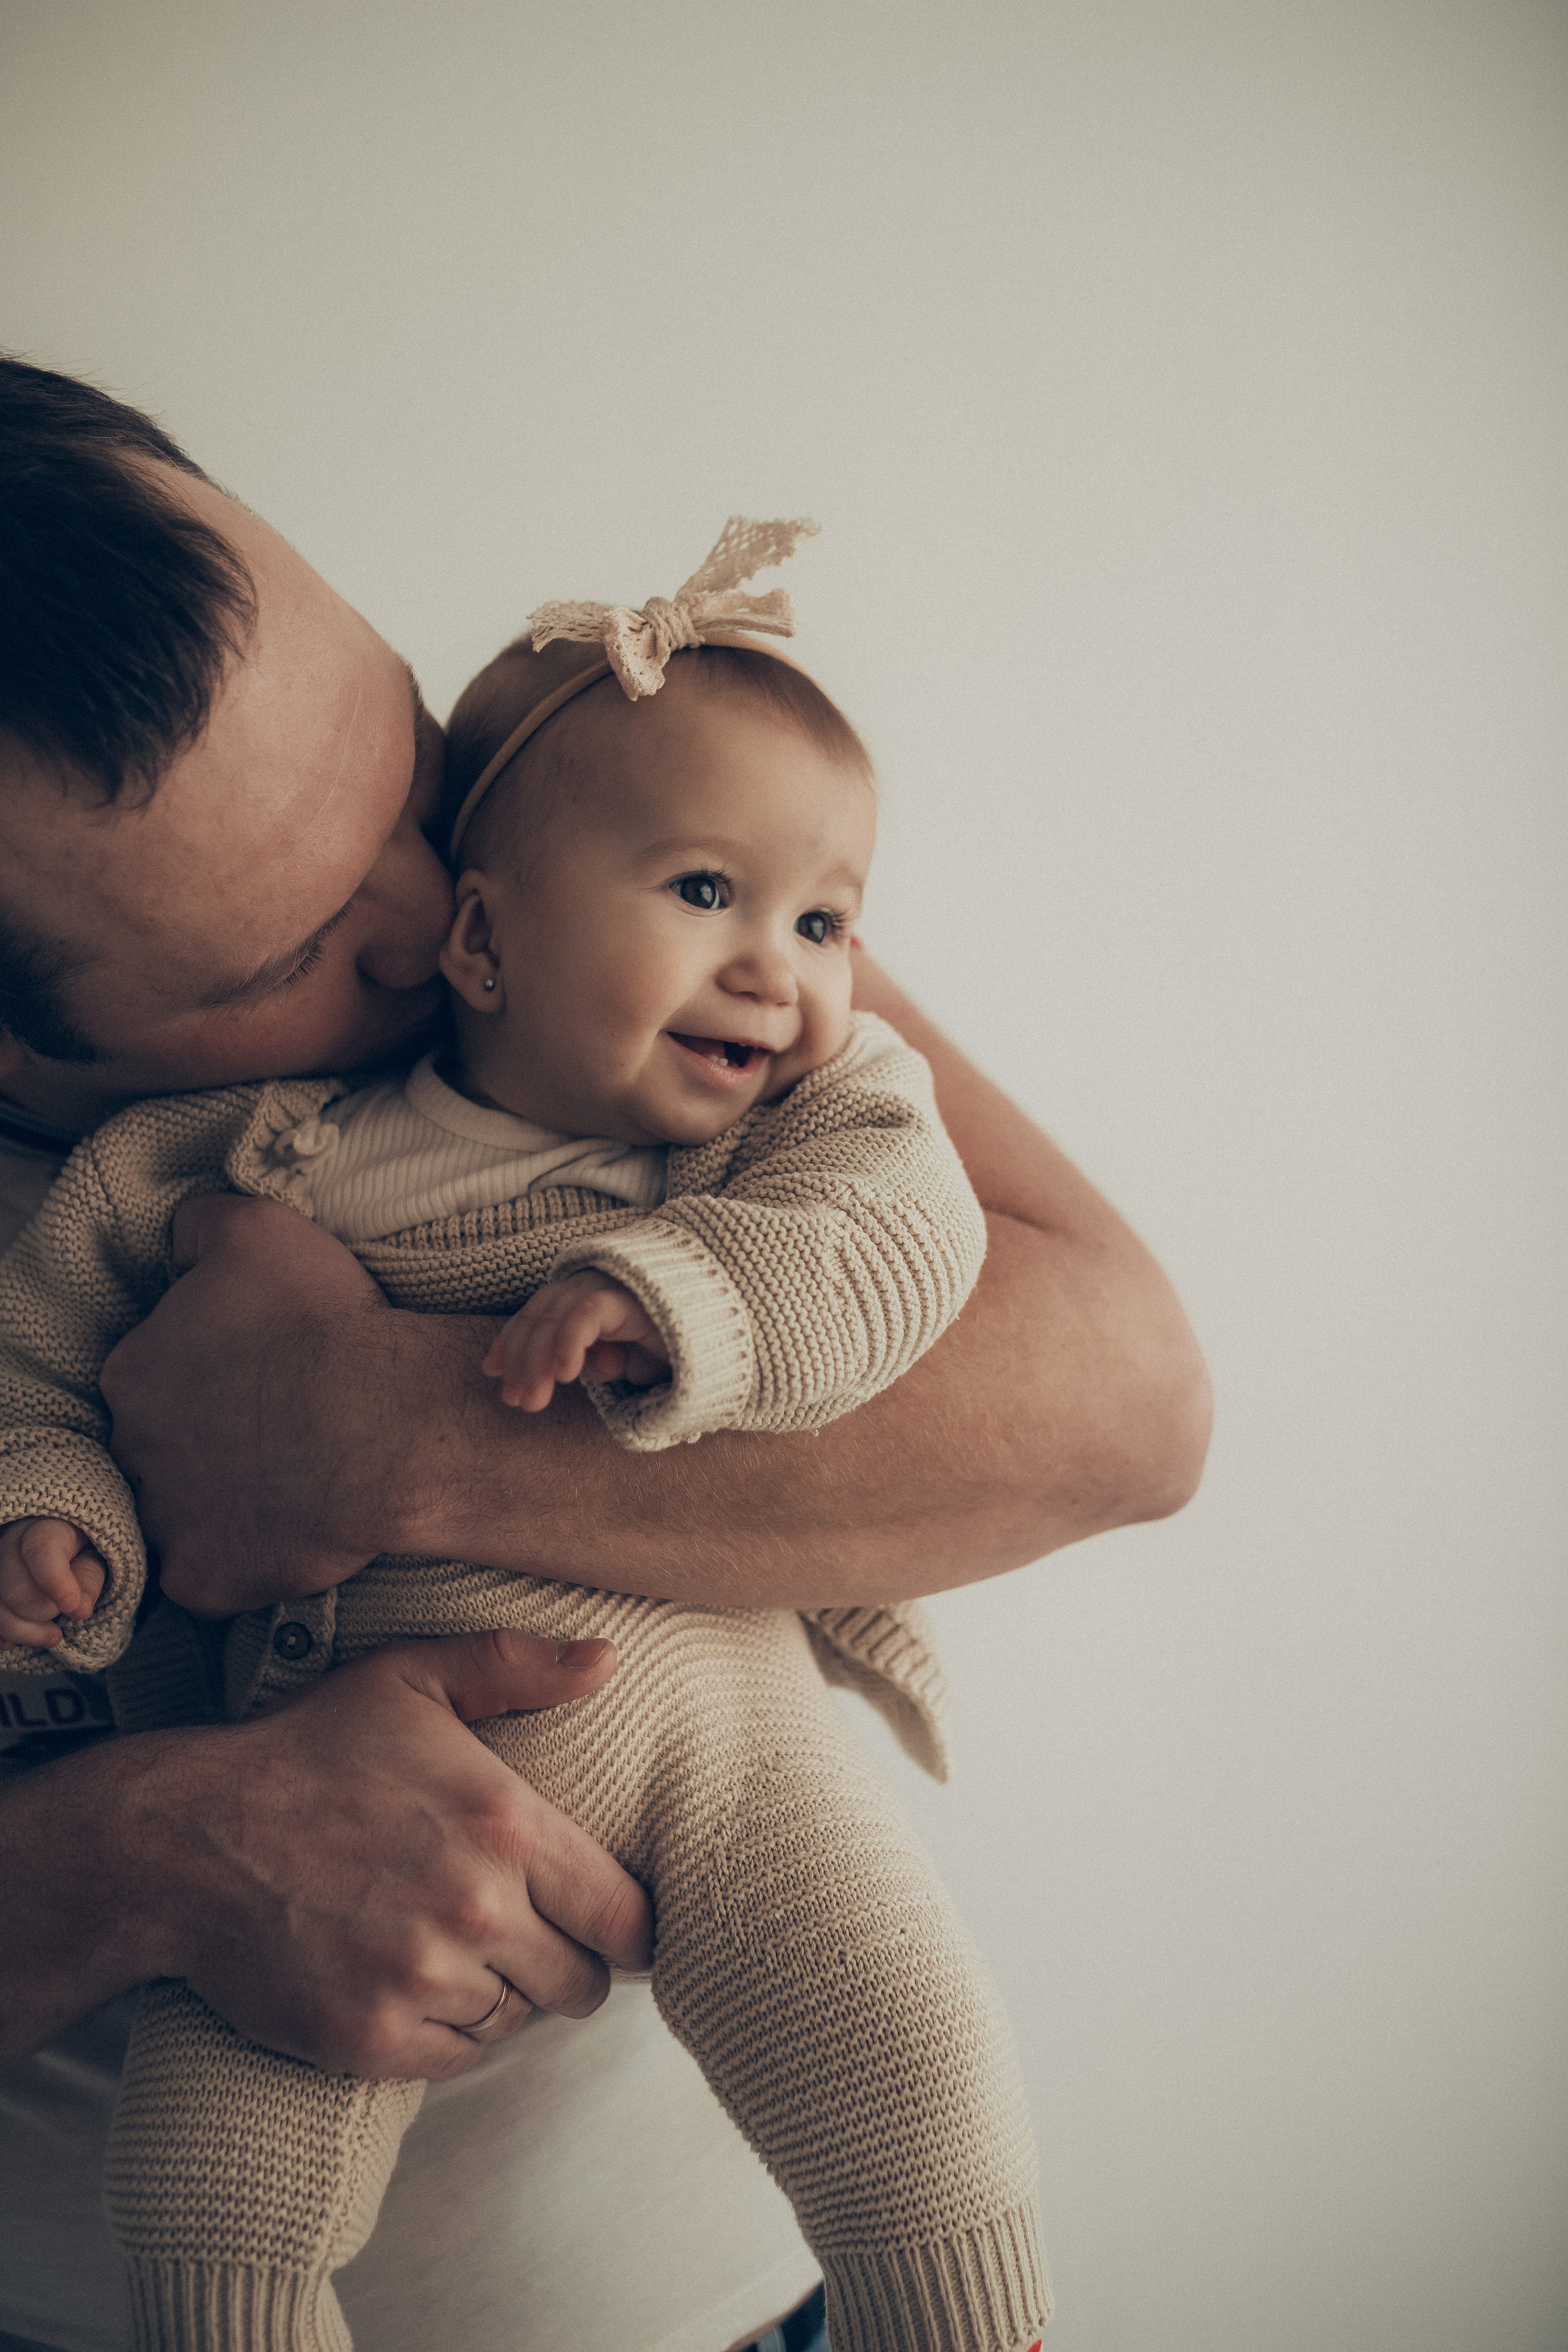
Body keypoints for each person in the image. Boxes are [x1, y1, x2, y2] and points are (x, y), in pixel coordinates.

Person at [0, 357, 1211, 2352]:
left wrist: (371, 1430)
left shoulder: (603, 862)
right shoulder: (155, 1181)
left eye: (403, 774)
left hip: (735, 2281)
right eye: (294, 951)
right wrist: (141, 1852)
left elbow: (1122, 1396)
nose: (435, 918)